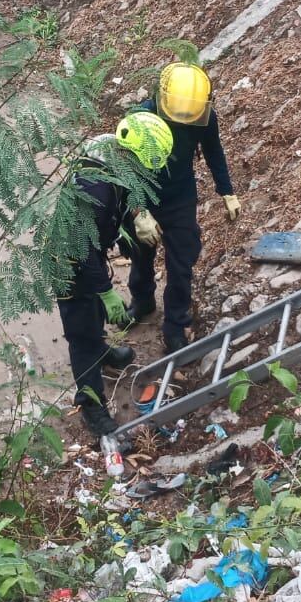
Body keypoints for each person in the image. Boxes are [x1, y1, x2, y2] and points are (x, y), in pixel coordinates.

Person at [57, 111, 174, 439]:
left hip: (89, 244)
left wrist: (137, 213)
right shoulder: (94, 189)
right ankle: (91, 405)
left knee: (93, 317)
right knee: (81, 333)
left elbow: (129, 186)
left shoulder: (112, 151)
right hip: (69, 259)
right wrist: (107, 292)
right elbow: (82, 251)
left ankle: (102, 351)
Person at [127, 62, 240, 355]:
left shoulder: (202, 115)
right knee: (140, 254)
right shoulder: (141, 118)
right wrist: (139, 212)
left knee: (181, 264)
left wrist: (226, 191)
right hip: (144, 194)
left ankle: (175, 326)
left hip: (180, 199)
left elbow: (214, 150)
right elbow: (123, 169)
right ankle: (142, 300)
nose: (182, 119)